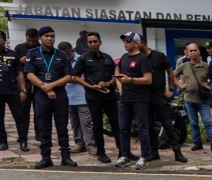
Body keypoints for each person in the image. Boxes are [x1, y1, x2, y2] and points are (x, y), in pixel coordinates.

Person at [24, 26, 75, 169]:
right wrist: (45, 87)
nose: (50, 38)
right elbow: (30, 74)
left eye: (52, 36)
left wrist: (51, 86)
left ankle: (66, 156)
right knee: (44, 126)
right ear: (40, 38)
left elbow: (68, 76)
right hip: (41, 95)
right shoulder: (32, 53)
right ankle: (45, 157)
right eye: (46, 36)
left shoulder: (61, 55)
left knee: (62, 126)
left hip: (59, 94)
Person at [72, 32, 121, 164]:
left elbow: (115, 75)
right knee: (97, 125)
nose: (93, 44)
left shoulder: (107, 58)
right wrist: (90, 86)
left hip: (109, 95)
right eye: (90, 42)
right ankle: (101, 152)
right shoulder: (83, 59)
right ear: (87, 44)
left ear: (100, 42)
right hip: (93, 96)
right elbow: (75, 77)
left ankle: (123, 152)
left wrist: (109, 83)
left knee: (116, 123)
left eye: (95, 41)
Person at [139, 35, 186, 163]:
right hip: (144, 97)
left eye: (133, 42)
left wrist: (170, 90)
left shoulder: (158, 55)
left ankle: (178, 153)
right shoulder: (138, 58)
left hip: (159, 96)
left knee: (168, 125)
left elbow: (171, 73)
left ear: (141, 42)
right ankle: (154, 152)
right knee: (149, 127)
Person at [113, 31, 153, 170]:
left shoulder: (142, 59)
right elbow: (117, 70)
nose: (125, 43)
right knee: (123, 128)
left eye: (128, 41)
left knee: (142, 128)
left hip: (139, 99)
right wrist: (120, 86)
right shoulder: (124, 57)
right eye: (124, 41)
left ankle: (144, 156)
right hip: (125, 99)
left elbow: (148, 79)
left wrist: (130, 80)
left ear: (136, 43)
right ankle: (125, 155)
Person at [175, 42, 212, 152]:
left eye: (195, 50)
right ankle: (197, 143)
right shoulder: (183, 66)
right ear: (187, 53)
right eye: (191, 51)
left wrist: (210, 86)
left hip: (203, 100)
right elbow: (172, 75)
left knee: (207, 122)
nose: (193, 52)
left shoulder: (206, 66)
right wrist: (180, 85)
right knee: (193, 123)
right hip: (189, 99)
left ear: (199, 52)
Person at [59, 42, 94, 155]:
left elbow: (86, 78)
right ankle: (80, 144)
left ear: (71, 50)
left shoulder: (82, 59)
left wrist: (69, 78)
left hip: (82, 96)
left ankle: (91, 145)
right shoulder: (61, 61)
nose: (66, 56)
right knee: (74, 123)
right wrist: (74, 78)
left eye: (67, 54)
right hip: (68, 97)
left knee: (86, 123)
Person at [14, 28, 40, 141]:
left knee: (39, 110)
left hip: (39, 82)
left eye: (33, 41)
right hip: (24, 82)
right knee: (23, 109)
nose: (31, 43)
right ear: (25, 37)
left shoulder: (41, 48)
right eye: (29, 40)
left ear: (38, 38)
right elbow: (13, 65)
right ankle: (22, 134)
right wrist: (20, 61)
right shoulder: (19, 48)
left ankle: (39, 134)